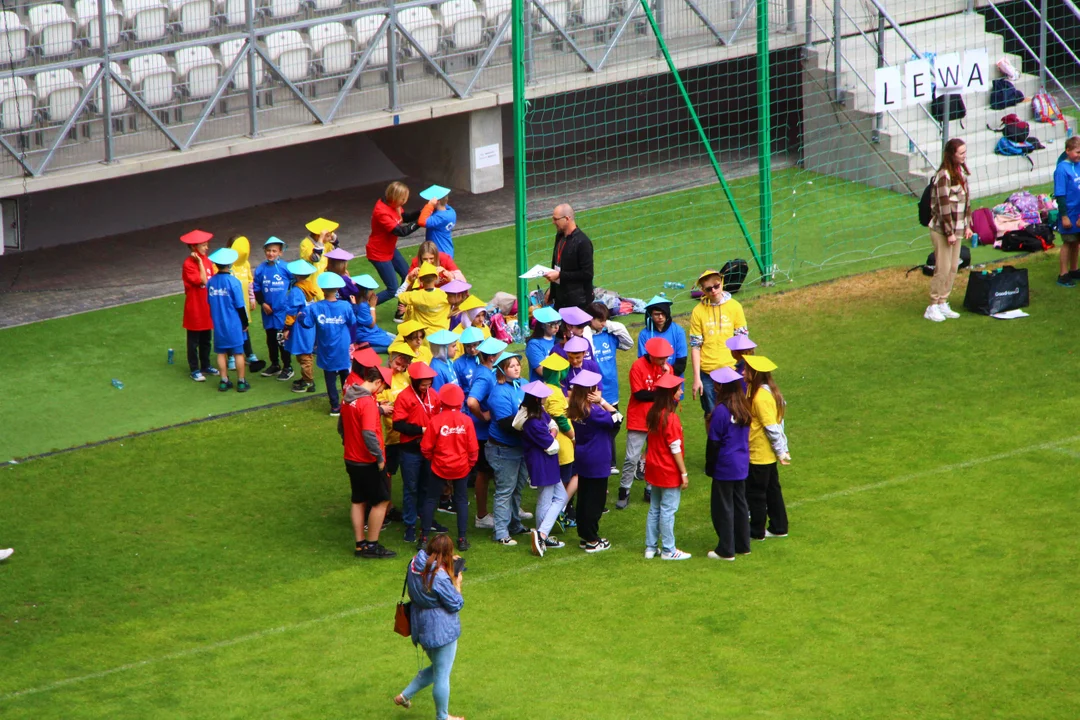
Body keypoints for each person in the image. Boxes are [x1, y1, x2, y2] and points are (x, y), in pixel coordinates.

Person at [394, 535, 465, 720]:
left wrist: (446, 565)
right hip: (441, 629)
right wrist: (457, 583)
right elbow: (455, 603)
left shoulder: (414, 563)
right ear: (447, 553)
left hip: (420, 624)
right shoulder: (439, 576)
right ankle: (442, 717)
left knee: (437, 668)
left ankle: (405, 696)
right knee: (442, 674)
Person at [339, 359, 396, 559]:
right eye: (383, 388)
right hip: (367, 461)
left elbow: (341, 427)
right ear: (378, 382)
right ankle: (372, 545)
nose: (380, 393)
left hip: (351, 458)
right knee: (381, 500)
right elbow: (369, 434)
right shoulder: (368, 403)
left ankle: (360, 543)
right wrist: (379, 458)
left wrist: (349, 444)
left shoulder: (348, 398)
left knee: (358, 499)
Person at [617, 337, 673, 510]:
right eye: (661, 358)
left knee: (654, 456)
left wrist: (665, 375)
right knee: (631, 458)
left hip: (658, 418)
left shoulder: (667, 369)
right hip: (639, 419)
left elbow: (670, 391)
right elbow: (639, 395)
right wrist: (661, 392)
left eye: (666, 357)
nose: (664, 361)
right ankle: (624, 491)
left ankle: (650, 489)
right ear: (651, 355)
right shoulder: (637, 366)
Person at [566, 369, 619, 553]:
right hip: (598, 458)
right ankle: (592, 539)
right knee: (595, 501)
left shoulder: (576, 407)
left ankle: (585, 535)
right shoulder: (594, 411)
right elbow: (617, 418)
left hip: (583, 456)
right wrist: (603, 402)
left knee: (584, 498)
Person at [422, 383, 478, 552]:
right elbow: (473, 448)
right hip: (461, 467)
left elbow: (426, 447)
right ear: (460, 402)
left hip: (439, 466)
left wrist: (435, 460)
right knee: (461, 500)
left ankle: (424, 538)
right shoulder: (466, 421)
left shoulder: (436, 420)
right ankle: (462, 538)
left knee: (431, 499)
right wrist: (468, 464)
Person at [394, 362, 444, 545]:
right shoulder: (404, 397)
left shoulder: (433, 395)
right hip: (410, 451)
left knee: (427, 487)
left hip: (429, 450)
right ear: (414, 382)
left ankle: (427, 521)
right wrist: (421, 430)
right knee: (411, 489)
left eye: (429, 383)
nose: (427, 386)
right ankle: (410, 526)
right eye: (423, 384)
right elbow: (398, 424)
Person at [705, 366, 752, 561]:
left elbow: (714, 442)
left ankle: (726, 549)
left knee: (722, 507)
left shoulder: (721, 412)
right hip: (741, 464)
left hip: (725, 465)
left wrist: (710, 466)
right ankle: (742, 544)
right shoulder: (743, 408)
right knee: (740, 504)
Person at [515, 380, 567, 557]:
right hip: (542, 464)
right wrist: (553, 435)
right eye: (543, 395)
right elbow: (553, 445)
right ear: (537, 399)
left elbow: (553, 425)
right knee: (547, 499)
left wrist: (552, 433)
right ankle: (541, 535)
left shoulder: (538, 413)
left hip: (546, 463)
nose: (546, 397)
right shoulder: (534, 422)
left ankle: (542, 533)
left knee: (561, 496)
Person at [644, 373, 691, 561]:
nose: (681, 391)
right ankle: (668, 550)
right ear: (671, 393)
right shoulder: (670, 418)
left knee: (655, 508)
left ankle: (650, 547)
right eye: (678, 389)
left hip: (654, 468)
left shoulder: (653, 414)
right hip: (668, 470)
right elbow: (675, 448)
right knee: (668, 510)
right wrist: (684, 473)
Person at [486, 351, 531, 546]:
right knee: (505, 490)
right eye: (511, 366)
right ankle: (501, 532)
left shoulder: (524, 383)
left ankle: (514, 524)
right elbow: (506, 424)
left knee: (518, 487)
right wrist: (533, 428)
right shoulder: (499, 393)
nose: (516, 368)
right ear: (502, 370)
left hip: (521, 447)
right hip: (503, 449)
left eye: (518, 364)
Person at [689, 269, 748, 417]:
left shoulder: (735, 307)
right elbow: (695, 346)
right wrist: (696, 378)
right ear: (703, 290)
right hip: (708, 373)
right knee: (711, 415)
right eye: (709, 289)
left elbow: (743, 342)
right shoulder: (697, 311)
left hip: (732, 370)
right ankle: (713, 441)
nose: (714, 291)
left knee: (736, 413)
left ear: (722, 282)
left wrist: (745, 369)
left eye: (716, 285)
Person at [744, 354, 791, 541]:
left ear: (755, 374)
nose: (743, 372)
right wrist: (781, 449)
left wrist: (781, 450)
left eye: (747, 369)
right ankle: (779, 526)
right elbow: (780, 423)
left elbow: (771, 427)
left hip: (759, 453)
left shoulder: (760, 397)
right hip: (766, 453)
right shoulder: (767, 393)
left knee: (756, 493)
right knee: (772, 490)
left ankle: (756, 531)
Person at [925, 138, 973, 321]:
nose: (964, 156)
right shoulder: (943, 176)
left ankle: (943, 301)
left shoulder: (960, 173)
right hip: (943, 230)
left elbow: (966, 202)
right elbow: (943, 207)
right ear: (951, 155)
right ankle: (933, 305)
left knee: (953, 267)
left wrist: (968, 226)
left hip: (958, 229)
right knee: (943, 268)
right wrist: (949, 233)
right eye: (961, 153)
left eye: (964, 152)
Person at [299, 272, 357, 416]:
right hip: (343, 348)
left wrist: (300, 317)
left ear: (322, 289)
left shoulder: (314, 308)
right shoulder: (345, 306)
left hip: (326, 349)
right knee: (346, 376)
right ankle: (348, 402)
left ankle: (334, 406)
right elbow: (353, 323)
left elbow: (306, 324)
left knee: (330, 378)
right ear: (337, 289)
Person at [586, 302, 633, 473]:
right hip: (595, 391)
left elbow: (628, 344)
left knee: (614, 424)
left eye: (606, 319)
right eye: (601, 320)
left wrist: (614, 326)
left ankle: (607, 459)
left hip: (612, 390)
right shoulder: (587, 338)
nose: (604, 323)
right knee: (600, 425)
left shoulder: (610, 334)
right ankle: (608, 462)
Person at [465, 337, 506, 530]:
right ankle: (481, 515)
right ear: (491, 357)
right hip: (482, 434)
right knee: (484, 473)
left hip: (486, 432)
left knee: (494, 472)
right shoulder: (484, 376)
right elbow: (471, 402)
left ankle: (505, 509)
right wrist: (483, 416)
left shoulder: (488, 372)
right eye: (500, 354)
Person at [538, 353, 577, 527]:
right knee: (563, 481)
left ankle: (560, 514)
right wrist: (573, 436)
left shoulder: (547, 388)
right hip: (562, 443)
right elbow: (559, 417)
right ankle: (557, 516)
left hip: (558, 442)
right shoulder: (553, 392)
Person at [369, 182, 422, 307]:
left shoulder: (394, 205)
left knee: (407, 276)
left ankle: (401, 309)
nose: (405, 201)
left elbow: (405, 217)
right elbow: (401, 231)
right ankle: (364, 308)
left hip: (390, 249)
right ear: (394, 197)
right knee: (392, 289)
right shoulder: (381, 211)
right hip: (378, 253)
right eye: (403, 199)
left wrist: (423, 211)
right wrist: (421, 221)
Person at [205, 247, 250, 393]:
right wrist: (244, 323)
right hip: (234, 323)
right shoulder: (233, 282)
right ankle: (241, 382)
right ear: (230, 264)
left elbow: (209, 302)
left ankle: (224, 380)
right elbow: (240, 305)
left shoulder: (211, 282)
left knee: (220, 353)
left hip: (218, 324)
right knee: (238, 352)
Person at [253, 237, 294, 381]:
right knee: (270, 338)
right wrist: (262, 303)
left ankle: (288, 367)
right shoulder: (260, 269)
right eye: (268, 250)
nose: (271, 253)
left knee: (282, 339)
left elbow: (295, 283)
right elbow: (256, 289)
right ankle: (275, 364)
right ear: (265, 251)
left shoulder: (285, 268)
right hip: (267, 311)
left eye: (274, 251)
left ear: (280, 253)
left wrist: (288, 300)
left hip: (282, 311)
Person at [180, 229, 218, 383]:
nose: (206, 247)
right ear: (194, 247)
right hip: (195, 308)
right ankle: (194, 369)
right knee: (193, 341)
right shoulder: (189, 264)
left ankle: (206, 365)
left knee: (206, 339)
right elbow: (203, 280)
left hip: (207, 306)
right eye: (203, 245)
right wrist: (200, 263)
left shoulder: (207, 260)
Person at [224, 235, 265, 373]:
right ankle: (231, 356)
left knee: (244, 327)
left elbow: (249, 282)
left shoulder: (245, 263)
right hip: (230, 305)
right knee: (231, 329)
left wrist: (252, 298)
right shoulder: (226, 264)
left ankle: (249, 354)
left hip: (243, 303)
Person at [544, 203, 594, 310]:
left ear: (567, 218)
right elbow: (556, 264)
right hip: (561, 297)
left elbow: (587, 274)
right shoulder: (560, 236)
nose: (553, 222)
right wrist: (552, 290)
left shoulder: (583, 242)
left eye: (555, 219)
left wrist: (560, 275)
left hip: (578, 302)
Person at [282, 259, 320, 394]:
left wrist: (287, 328)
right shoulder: (311, 286)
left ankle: (309, 382)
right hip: (310, 325)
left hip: (300, 327)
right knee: (305, 353)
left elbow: (291, 312)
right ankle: (306, 378)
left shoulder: (296, 291)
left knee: (304, 356)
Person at [637, 295, 688, 377]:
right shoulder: (644, 335)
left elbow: (681, 360)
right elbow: (643, 361)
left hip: (674, 378)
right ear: (650, 315)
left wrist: (668, 377)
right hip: (652, 379)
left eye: (663, 313)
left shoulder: (678, 331)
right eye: (656, 314)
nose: (660, 317)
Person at [1053, 135, 1080, 287]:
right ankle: (1063, 274)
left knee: (1076, 242)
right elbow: (1060, 194)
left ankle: (1074, 269)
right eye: (1077, 152)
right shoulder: (1062, 169)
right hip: (1069, 212)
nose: (1079, 155)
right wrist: (1064, 216)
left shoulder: (1079, 164)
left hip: (1079, 211)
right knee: (1068, 242)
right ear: (1067, 151)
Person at [399, 262, 452, 335]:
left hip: (422, 337)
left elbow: (398, 294)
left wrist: (408, 280)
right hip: (442, 336)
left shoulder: (415, 295)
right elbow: (460, 294)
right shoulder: (445, 294)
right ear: (436, 278)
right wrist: (450, 279)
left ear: (420, 280)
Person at [349, 274, 395, 353]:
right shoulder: (362, 306)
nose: (373, 292)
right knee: (395, 346)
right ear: (365, 291)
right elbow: (371, 324)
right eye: (371, 290)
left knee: (398, 340)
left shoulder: (361, 302)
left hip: (373, 332)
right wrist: (372, 306)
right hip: (365, 334)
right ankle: (362, 349)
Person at [418, 186, 458, 257]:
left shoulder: (439, 218)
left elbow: (422, 221)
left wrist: (429, 205)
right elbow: (444, 205)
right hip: (447, 251)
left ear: (437, 201)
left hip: (439, 254)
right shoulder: (451, 211)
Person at [525, 306, 562, 382]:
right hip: (541, 388)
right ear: (543, 325)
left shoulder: (558, 341)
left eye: (558, 323)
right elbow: (542, 371)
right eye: (552, 324)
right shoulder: (534, 344)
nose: (557, 327)